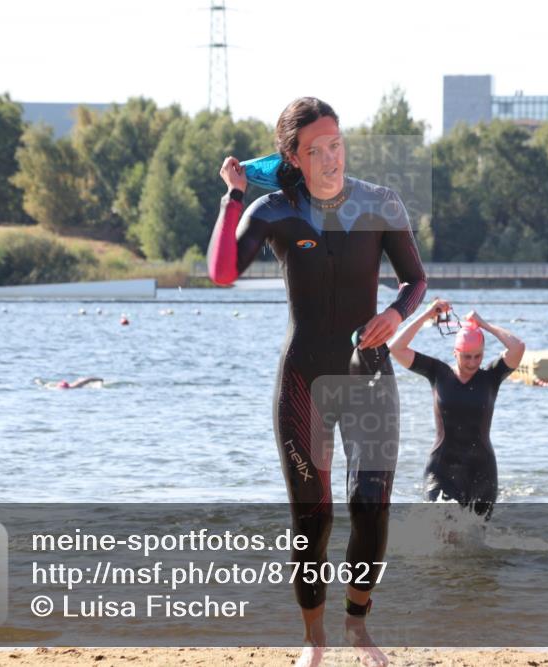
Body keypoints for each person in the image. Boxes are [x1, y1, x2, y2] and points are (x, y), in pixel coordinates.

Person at [207, 97, 427, 667]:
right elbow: (222, 273)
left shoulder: (380, 203)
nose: (330, 159)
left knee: (371, 505)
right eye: (316, 151)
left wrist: (396, 315)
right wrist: (233, 197)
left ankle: (357, 624)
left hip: (369, 376)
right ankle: (314, 640)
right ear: (294, 158)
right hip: (303, 378)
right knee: (314, 516)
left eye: (336, 145)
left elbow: (415, 279)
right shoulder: (274, 213)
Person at [388, 299, 524, 520]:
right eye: (466, 356)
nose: (472, 362)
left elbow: (518, 348)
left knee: (474, 541)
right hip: (442, 468)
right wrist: (426, 315)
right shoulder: (438, 373)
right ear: (455, 352)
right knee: (440, 527)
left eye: (477, 356)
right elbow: (396, 347)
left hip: (482, 471)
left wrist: (485, 324)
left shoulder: (491, 377)